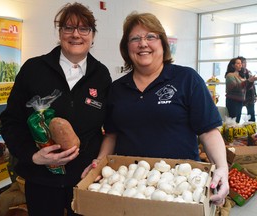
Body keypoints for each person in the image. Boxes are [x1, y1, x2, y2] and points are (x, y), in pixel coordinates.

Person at [82, 11, 229, 206]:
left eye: (150, 36)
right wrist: (98, 164)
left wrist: (222, 169)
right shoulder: (117, 89)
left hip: (180, 187)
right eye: (135, 38)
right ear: (127, 48)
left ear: (162, 43)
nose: (143, 43)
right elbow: (111, 134)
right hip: (130, 187)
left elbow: (208, 131)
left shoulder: (186, 79)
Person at [0, 2, 112, 216]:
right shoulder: (34, 70)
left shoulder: (101, 75)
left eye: (84, 28)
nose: (76, 35)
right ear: (60, 33)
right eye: (68, 28)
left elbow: (110, 127)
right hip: (41, 180)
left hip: (85, 178)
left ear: (93, 35)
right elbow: (11, 122)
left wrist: (98, 164)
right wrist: (33, 156)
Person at [225, 57, 257, 123]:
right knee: (233, 123)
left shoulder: (240, 75)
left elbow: (245, 88)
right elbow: (235, 87)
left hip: (239, 101)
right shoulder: (230, 75)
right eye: (238, 63)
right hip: (233, 101)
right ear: (233, 65)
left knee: (237, 122)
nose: (241, 65)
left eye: (241, 63)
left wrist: (251, 81)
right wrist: (248, 81)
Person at [239, 56, 256, 122]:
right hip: (241, 96)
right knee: (237, 114)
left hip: (250, 96)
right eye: (243, 62)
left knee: (251, 114)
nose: (245, 64)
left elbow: (252, 85)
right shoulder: (238, 73)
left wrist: (255, 95)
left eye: (245, 62)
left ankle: (252, 130)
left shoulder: (248, 72)